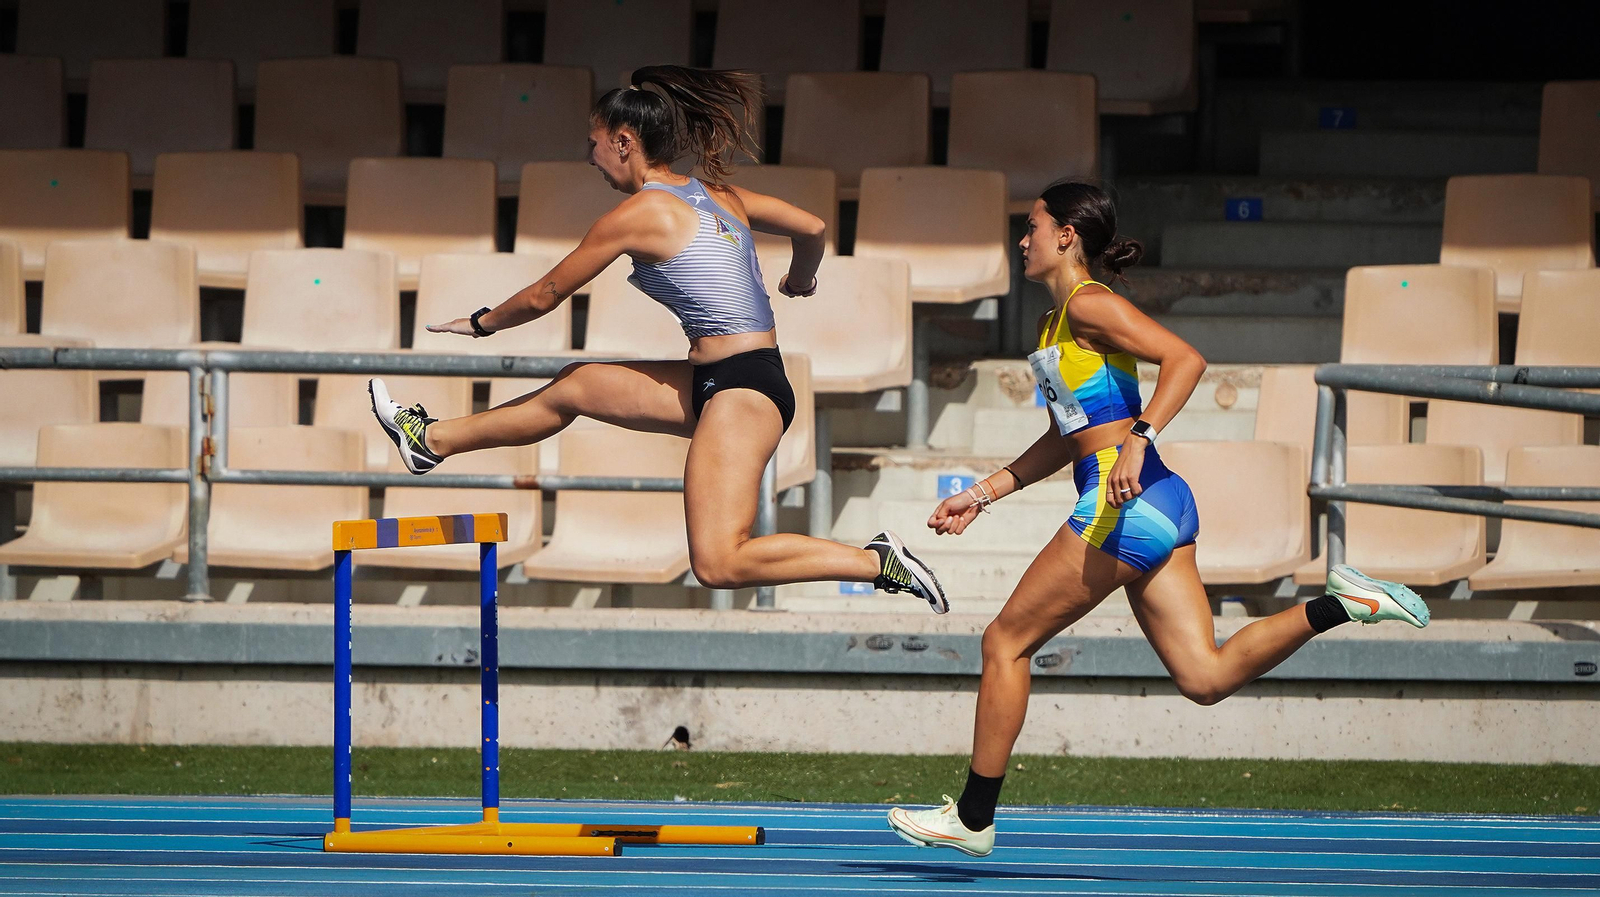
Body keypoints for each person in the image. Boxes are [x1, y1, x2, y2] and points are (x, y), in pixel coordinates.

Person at [886, 181, 1430, 857]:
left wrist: (1140, 436)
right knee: (1205, 676)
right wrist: (986, 492)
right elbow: (1068, 434)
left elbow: (1186, 358)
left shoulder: (1090, 303)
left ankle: (973, 816)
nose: (1021, 239)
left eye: (1032, 226)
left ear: (1066, 236)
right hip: (1159, 502)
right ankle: (1342, 605)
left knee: (1004, 642)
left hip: (1126, 502)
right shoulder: (1052, 326)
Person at [368, 65, 945, 611]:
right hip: (723, 379)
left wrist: (480, 323)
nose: (590, 159)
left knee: (718, 562)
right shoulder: (722, 196)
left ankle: (876, 562)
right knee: (578, 387)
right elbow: (815, 228)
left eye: (593, 145)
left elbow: (547, 294)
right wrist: (801, 277)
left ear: (624, 140)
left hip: (744, 392)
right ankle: (431, 442)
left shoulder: (641, 212)